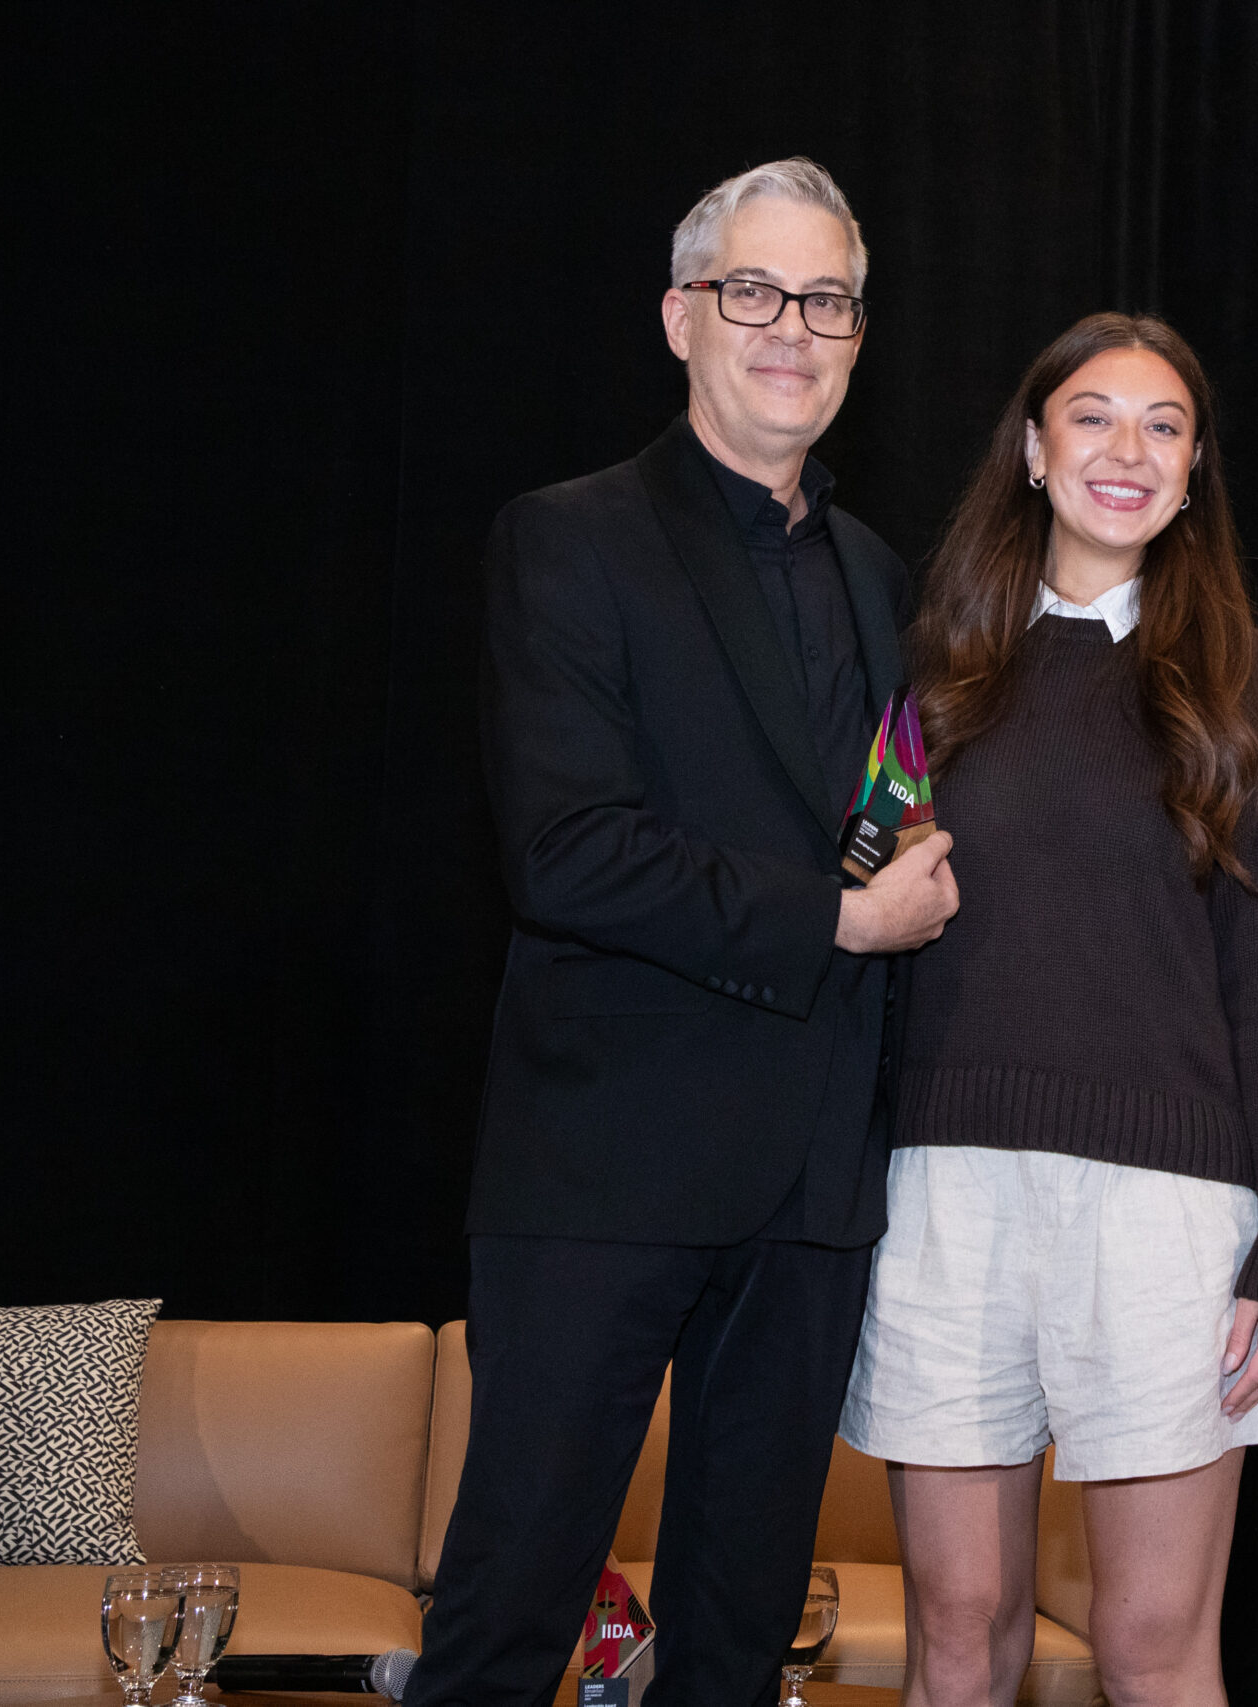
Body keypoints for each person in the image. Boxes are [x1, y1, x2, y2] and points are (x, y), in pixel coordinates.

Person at [409, 158, 960, 1707]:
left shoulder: (880, 579)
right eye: (755, 292)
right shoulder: (567, 538)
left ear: (858, 336)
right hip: (603, 1171)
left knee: (738, 1640)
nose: (793, 328)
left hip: (809, 1195)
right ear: (680, 317)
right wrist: (845, 923)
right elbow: (569, 854)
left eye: (828, 301)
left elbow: (877, 805)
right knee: (510, 1619)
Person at [837, 312, 1258, 1707]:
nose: (1127, 450)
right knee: (961, 1625)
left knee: (1149, 1644)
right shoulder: (927, 676)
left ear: (1194, 475)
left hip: (1173, 1221)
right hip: (946, 1198)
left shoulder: (1256, 679)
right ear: (1030, 447)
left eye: (1164, 425)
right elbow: (862, 930)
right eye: (1092, 416)